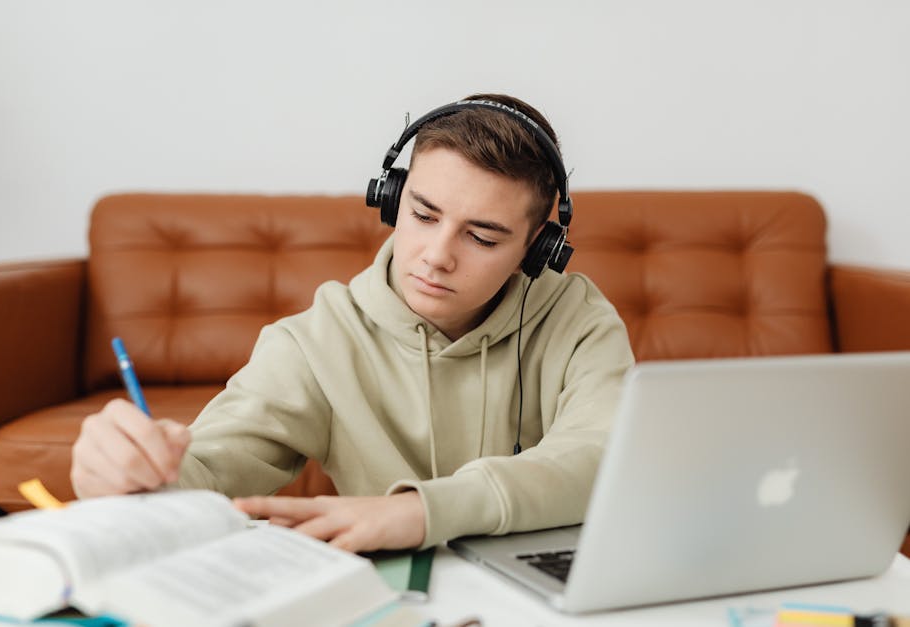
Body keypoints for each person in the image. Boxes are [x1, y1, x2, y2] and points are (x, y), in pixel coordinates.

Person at [70, 93, 635, 553]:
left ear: (538, 248)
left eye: (482, 237)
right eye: (422, 214)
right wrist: (133, 476)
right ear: (390, 199)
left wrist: (420, 512)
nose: (436, 255)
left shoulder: (580, 321)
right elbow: (208, 469)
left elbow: (603, 455)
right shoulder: (317, 340)